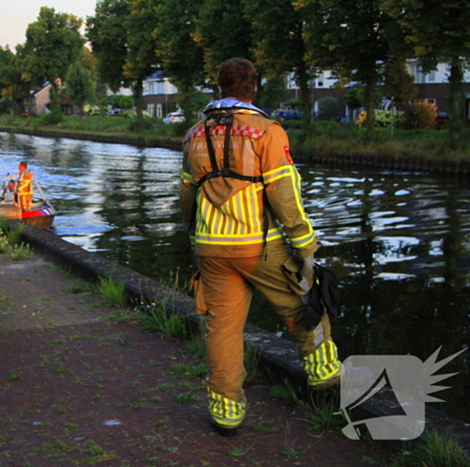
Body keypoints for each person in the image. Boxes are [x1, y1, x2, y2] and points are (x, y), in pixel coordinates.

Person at [179, 58, 341, 437]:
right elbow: (284, 195)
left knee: (223, 330)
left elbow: (187, 194)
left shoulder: (194, 135)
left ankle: (226, 413)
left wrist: (194, 237)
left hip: (212, 248)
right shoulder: (267, 131)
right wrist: (306, 248)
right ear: (253, 88)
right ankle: (325, 379)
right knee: (306, 304)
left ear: (220, 87)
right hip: (260, 246)